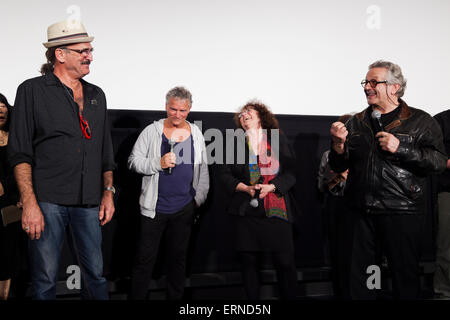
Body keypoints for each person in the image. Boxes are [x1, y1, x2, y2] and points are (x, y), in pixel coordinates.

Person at [8, 19, 116, 300]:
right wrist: (29, 202)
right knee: (44, 280)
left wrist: (108, 192)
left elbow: (105, 151)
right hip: (47, 201)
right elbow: (20, 152)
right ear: (60, 54)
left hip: (90, 201)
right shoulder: (31, 91)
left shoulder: (97, 95)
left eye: (90, 50)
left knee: (96, 275)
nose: (90, 56)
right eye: (83, 51)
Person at [329, 60, 447, 299]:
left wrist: (401, 148)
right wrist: (339, 146)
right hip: (362, 212)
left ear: (394, 87)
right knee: (366, 277)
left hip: (401, 211)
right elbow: (339, 165)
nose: (367, 87)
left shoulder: (421, 121)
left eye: (374, 82)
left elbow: (437, 162)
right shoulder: (356, 122)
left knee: (404, 277)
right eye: (365, 82)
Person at [128, 86, 209, 300]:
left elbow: (203, 170)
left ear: (189, 109)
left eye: (182, 111)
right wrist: (158, 163)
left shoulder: (196, 133)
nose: (177, 115)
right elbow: (133, 162)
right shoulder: (151, 131)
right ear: (166, 107)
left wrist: (197, 200)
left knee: (178, 261)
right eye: (173, 109)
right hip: (154, 210)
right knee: (144, 261)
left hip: (184, 208)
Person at [221, 101, 298, 300]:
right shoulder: (234, 142)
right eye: (242, 113)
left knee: (285, 263)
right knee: (248, 264)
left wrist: (273, 187)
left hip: (276, 209)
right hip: (246, 211)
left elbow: (292, 173)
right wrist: (246, 188)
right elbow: (225, 176)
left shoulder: (277, 139)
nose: (244, 115)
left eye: (249, 112)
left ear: (261, 117)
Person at [317, 113, 352, 299]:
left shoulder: (365, 153)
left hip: (361, 210)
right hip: (337, 208)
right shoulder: (328, 155)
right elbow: (322, 186)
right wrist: (340, 176)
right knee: (339, 258)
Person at [0, 94, 25, 300]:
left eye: (3, 106)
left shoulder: (16, 139)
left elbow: (23, 168)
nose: (1, 110)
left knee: (9, 254)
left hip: (12, 205)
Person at [433, 109, 450, 298]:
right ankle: (445, 290)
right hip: (448, 190)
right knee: (447, 246)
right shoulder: (442, 120)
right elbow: (432, 155)